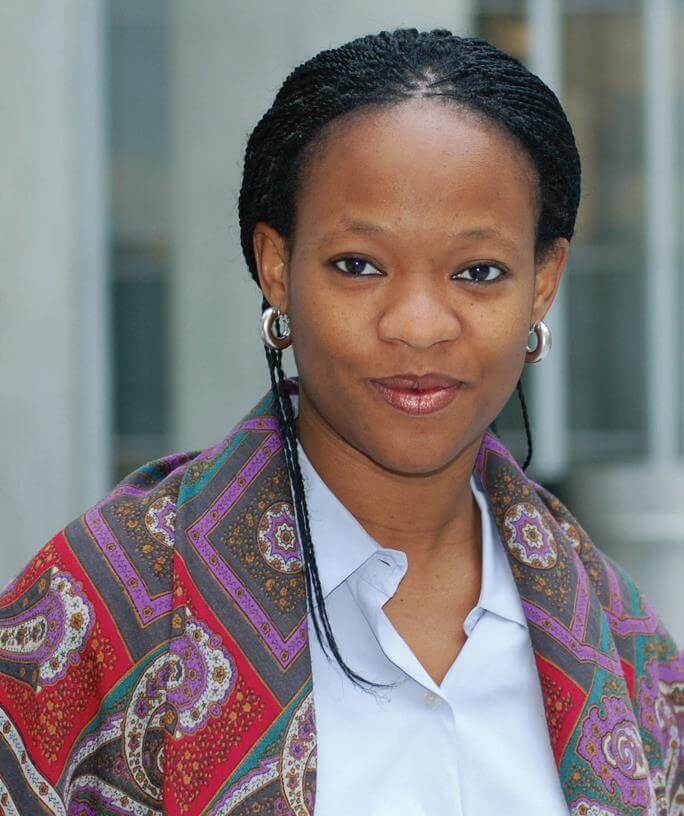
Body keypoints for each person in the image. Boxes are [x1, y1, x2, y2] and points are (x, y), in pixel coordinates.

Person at [0, 27, 681, 816]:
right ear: (276, 267)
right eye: (359, 266)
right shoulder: (104, 604)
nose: (418, 326)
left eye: (478, 271)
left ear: (542, 283)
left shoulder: (624, 644)